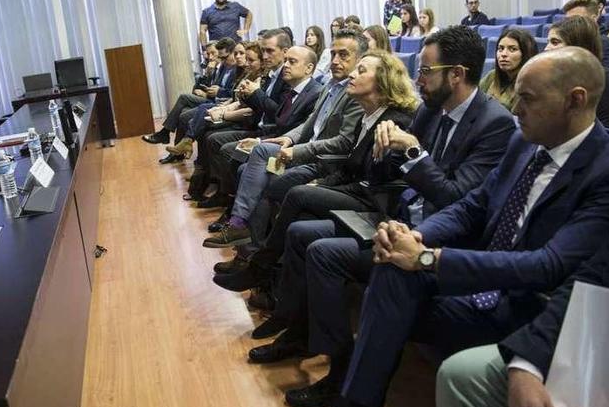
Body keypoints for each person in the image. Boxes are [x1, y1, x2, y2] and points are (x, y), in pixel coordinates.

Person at [326, 47, 609, 407]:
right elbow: (473, 206)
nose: (515, 107)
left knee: (394, 284)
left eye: (528, 98)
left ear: (576, 99)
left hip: (536, 310)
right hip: (484, 284)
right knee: (392, 270)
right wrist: (418, 237)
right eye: (516, 94)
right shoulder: (525, 143)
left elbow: (547, 266)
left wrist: (429, 258)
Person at [231, 26, 516, 348]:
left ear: (456, 75)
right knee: (299, 231)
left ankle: (333, 360)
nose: (418, 79)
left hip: (431, 235)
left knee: (311, 228)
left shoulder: (496, 123)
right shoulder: (430, 110)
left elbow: (454, 198)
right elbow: (384, 172)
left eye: (425, 70)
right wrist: (386, 149)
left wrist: (410, 151)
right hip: (396, 213)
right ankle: (294, 326)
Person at [436, 209, 609, 407]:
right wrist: (527, 363)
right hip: (604, 354)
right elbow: (593, 276)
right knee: (463, 375)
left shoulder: (607, 175)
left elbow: (548, 265)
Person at [205, 50, 417, 255]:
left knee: (275, 180)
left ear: (383, 81)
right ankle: (247, 245)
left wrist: (316, 175)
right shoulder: (352, 103)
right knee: (249, 166)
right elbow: (310, 123)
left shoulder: (390, 122)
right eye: (333, 54)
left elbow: (358, 162)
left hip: (331, 167)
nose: (338, 63)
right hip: (328, 166)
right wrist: (290, 141)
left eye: (356, 66)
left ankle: (257, 254)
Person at [199, 29, 293, 209]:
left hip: (272, 133)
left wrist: (255, 94)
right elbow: (261, 108)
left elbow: (279, 115)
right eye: (263, 50)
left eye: (270, 51)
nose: (265, 55)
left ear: (285, 51)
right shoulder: (272, 75)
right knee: (211, 136)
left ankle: (231, 200)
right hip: (259, 126)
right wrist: (245, 96)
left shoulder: (285, 77)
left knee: (226, 148)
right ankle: (222, 192)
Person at [144, 37, 238, 148]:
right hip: (211, 99)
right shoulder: (221, 66)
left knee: (184, 109)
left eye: (215, 54)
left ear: (232, 53)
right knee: (183, 107)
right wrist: (207, 74)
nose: (212, 57)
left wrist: (215, 92)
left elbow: (231, 93)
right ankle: (171, 143)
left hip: (219, 103)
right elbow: (198, 88)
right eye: (208, 54)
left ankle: (169, 138)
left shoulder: (235, 69)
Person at [546, 15, 609, 128]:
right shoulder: (552, 77)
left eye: (555, 42)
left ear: (578, 46)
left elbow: (607, 131)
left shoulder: (606, 81)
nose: (546, 48)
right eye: (548, 42)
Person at [479, 29, 538, 111]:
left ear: (526, 53)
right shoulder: (492, 76)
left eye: (512, 49)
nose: (503, 54)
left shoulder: (531, 84)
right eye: (500, 49)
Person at [562, 0, 609, 68]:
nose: (569, 24)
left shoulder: (604, 44)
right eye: (567, 20)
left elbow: (603, 76)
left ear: (593, 19)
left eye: (577, 19)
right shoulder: (563, 41)